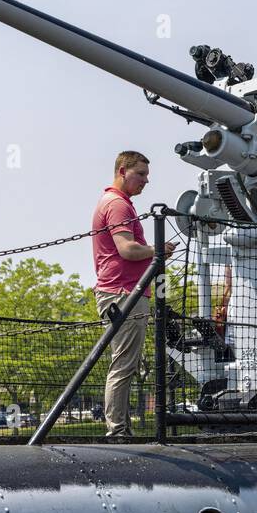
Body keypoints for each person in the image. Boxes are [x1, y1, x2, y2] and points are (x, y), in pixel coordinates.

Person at [91, 150, 176, 438]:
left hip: (122, 291)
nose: (145, 181)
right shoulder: (118, 205)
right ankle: (117, 431)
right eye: (141, 174)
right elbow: (126, 250)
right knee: (124, 364)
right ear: (123, 171)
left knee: (126, 362)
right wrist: (158, 249)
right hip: (123, 292)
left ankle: (120, 428)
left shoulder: (117, 203)